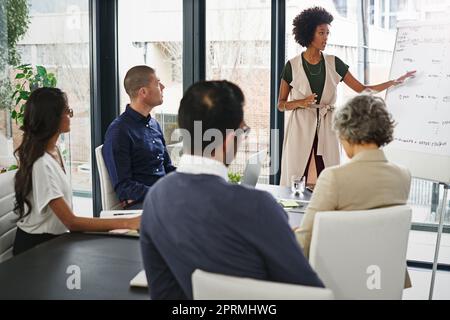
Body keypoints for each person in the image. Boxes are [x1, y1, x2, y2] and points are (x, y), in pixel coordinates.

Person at [140, 80, 324, 300]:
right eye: (243, 130)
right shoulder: (258, 206)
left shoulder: (156, 198)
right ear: (228, 140)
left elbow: (162, 291)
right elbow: (311, 292)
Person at [278, 6, 415, 187]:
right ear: (309, 34)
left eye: (327, 33)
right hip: (300, 126)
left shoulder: (334, 63)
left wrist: (393, 82)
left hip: (327, 124)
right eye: (321, 33)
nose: (326, 37)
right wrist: (300, 102)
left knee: (328, 175)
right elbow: (281, 104)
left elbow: (363, 89)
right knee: (295, 174)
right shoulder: (292, 66)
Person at [13, 87, 140, 256]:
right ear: (53, 118)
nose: (70, 116)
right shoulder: (42, 164)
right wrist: (128, 223)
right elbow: (71, 222)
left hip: (54, 241)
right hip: (35, 251)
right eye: (67, 111)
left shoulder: (55, 151)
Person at [294, 94, 411, 260]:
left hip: (336, 273)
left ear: (348, 133)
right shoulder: (403, 176)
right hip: (385, 275)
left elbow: (304, 241)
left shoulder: (333, 178)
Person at [103, 66, 176, 210]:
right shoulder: (119, 131)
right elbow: (124, 187)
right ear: (143, 92)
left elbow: (167, 167)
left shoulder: (154, 124)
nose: (163, 86)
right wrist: (162, 194)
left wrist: (190, 178)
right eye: (157, 83)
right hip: (142, 205)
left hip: (162, 199)